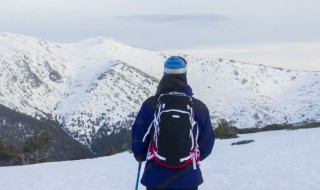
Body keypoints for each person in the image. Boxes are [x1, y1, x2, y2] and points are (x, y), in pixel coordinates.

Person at [132, 56, 215, 190]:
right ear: (185, 75)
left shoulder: (150, 105)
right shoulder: (199, 107)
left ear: (164, 75)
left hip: (155, 177)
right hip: (188, 178)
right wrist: (187, 157)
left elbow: (138, 139)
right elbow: (207, 144)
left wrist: (141, 155)